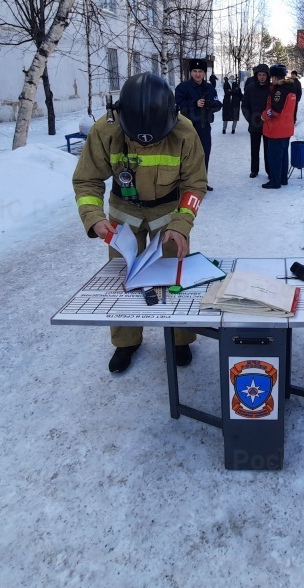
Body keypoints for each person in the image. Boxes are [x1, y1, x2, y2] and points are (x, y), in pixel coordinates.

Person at [72, 72, 208, 375]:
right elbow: (86, 180)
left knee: (174, 277)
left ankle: (179, 337)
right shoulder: (105, 131)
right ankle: (126, 341)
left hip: (169, 216)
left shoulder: (185, 133)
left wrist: (181, 224)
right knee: (122, 279)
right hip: (124, 215)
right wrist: (94, 219)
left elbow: (195, 185)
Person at [174, 58, 221, 191]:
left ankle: (201, 183)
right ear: (191, 72)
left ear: (204, 73)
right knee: (186, 156)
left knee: (204, 155)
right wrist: (194, 103)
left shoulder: (210, 88)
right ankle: (184, 184)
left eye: (200, 71)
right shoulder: (182, 87)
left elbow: (218, 104)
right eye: (194, 71)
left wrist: (209, 104)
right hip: (186, 128)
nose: (197, 74)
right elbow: (177, 105)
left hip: (204, 127)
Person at [261, 65, 296, 189]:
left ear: (275, 77)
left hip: (277, 129)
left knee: (274, 156)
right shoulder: (291, 89)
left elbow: (275, 110)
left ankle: (275, 181)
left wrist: (264, 116)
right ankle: (282, 179)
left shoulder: (279, 91)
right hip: (286, 128)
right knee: (283, 155)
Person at [241, 63, 271, 179]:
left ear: (267, 75)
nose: (262, 77)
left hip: (268, 124)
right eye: (259, 75)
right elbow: (244, 105)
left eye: (264, 75)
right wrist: (250, 119)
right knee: (254, 149)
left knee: (268, 150)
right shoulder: (250, 88)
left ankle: (269, 171)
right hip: (254, 124)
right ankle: (254, 170)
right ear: (256, 75)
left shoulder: (271, 89)